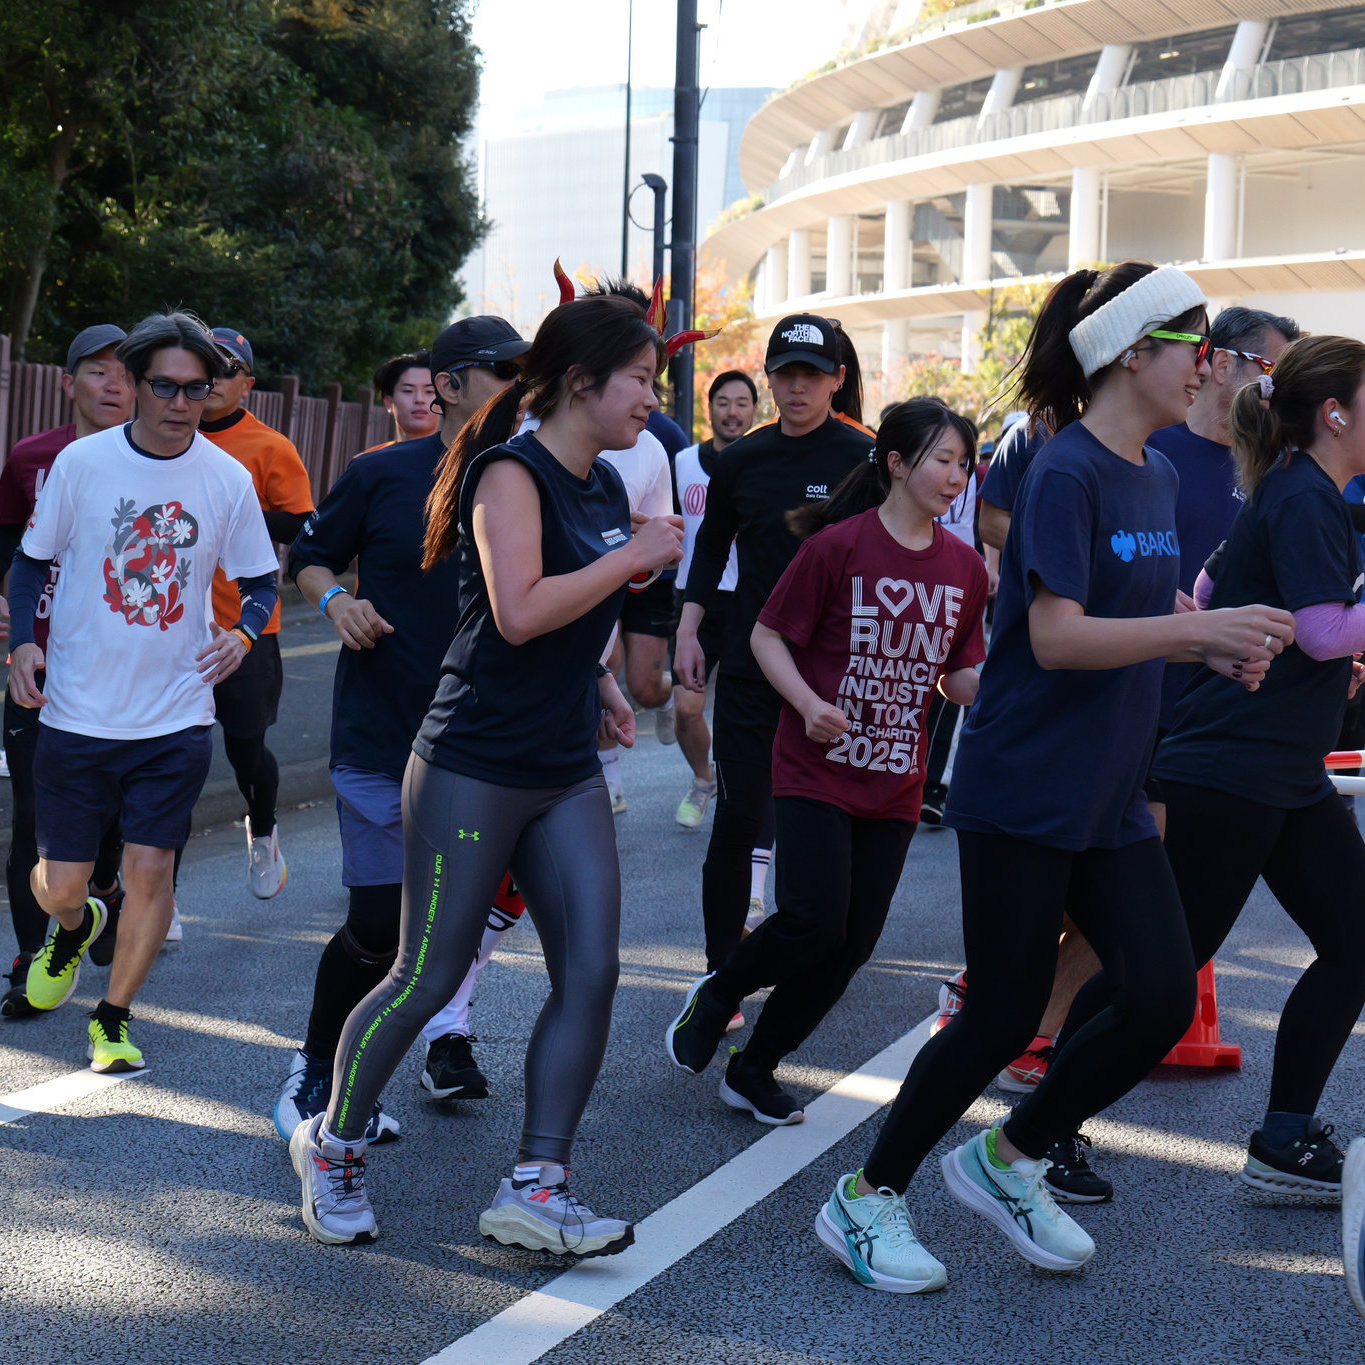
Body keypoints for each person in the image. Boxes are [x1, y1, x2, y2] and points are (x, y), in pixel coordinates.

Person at [812, 263, 1294, 1293]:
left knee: (1159, 995)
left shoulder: (1155, 473)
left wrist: (1203, 640)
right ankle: (865, 1194)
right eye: (1194, 345)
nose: (1206, 367)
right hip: (1026, 785)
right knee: (1002, 1012)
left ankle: (1011, 1153)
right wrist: (1196, 630)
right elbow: (1057, 636)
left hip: (1110, 792)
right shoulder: (1064, 468)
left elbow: (1136, 606)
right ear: (1133, 350)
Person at [288, 291, 684, 1255]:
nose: (651, 398)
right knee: (424, 974)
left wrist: (601, 684)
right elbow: (517, 610)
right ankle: (334, 1145)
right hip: (471, 762)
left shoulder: (601, 482)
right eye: (639, 379)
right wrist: (635, 555)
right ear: (581, 382)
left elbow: (565, 623)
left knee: (591, 969)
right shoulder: (508, 471)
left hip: (563, 765)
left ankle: (536, 1186)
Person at [1062, 334, 1365, 1201]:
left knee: (1355, 941)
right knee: (1158, 975)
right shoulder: (1302, 495)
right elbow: (1322, 631)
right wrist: (1329, 641)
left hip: (1280, 768)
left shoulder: (1302, 490)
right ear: (1334, 413)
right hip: (1229, 766)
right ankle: (1044, 1127)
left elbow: (1213, 584)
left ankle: (1283, 1139)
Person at [666, 398, 988, 1131]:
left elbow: (957, 676)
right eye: (942, 460)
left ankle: (754, 1068)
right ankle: (720, 990)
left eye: (964, 464)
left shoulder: (966, 568)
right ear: (896, 463)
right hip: (816, 767)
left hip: (896, 777)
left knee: (851, 945)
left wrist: (1011, 683)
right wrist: (809, 704)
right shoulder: (837, 547)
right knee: (813, 919)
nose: (956, 477)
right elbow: (766, 637)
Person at [274, 315, 532, 1141]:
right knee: (382, 927)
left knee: (445, 936)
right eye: (503, 371)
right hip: (383, 737)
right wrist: (334, 600)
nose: (519, 386)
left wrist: (599, 682)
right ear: (449, 386)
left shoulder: (538, 476)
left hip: (486, 750)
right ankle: (315, 1070)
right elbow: (308, 555)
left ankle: (384, 1075)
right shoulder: (380, 471)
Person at [8, 312, 279, 1073]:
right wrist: (22, 642)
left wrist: (243, 634)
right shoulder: (83, 464)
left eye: (198, 388)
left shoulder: (227, 479)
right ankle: (77, 924)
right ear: (135, 384)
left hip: (175, 713)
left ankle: (114, 1017)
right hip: (76, 711)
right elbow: (29, 563)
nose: (181, 402)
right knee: (59, 887)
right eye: (165, 386)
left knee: (152, 871)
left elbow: (261, 581)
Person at [676, 314, 873, 981]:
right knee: (740, 815)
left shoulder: (867, 457)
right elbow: (710, 545)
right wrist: (688, 629)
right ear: (769, 378)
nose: (798, 387)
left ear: (836, 379)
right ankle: (720, 971)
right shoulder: (742, 458)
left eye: (812, 375)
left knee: (828, 821)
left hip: (835, 672)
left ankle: (815, 955)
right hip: (753, 664)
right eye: (786, 373)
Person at [0, 325, 133, 1016]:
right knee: (31, 812)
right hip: (41, 661)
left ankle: (102, 891)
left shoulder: (158, 464)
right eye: (98, 371)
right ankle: (30, 960)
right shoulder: (31, 458)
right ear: (68, 382)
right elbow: (8, 548)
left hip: (122, 669)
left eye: (126, 373)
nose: (114, 384)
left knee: (110, 810)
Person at [1145, 306, 1301, 833]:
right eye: (1271, 372)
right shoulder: (1149, 448)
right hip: (1142, 691)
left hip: (1228, 708)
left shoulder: (1276, 471)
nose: (1279, 391)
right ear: (1223, 364)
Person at [199, 326, 316, 898]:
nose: (214, 379)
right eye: (206, 365)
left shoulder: (269, 447)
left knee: (245, 749)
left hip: (246, 627)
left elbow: (303, 525)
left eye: (228, 369)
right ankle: (157, 892)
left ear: (247, 383)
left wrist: (236, 510)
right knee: (167, 758)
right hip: (164, 627)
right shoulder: (158, 437)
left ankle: (264, 830)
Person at [672, 369, 756, 827]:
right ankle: (704, 779)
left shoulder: (764, 464)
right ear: (709, 409)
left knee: (742, 714)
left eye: (742, 403)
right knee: (687, 709)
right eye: (723, 402)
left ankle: (741, 795)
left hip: (750, 601)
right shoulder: (683, 462)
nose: (732, 412)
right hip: (696, 600)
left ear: (755, 409)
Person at [370, 351, 438, 447]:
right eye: (408, 391)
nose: (419, 399)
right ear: (388, 402)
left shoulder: (456, 456)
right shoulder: (374, 456)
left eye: (429, 391)